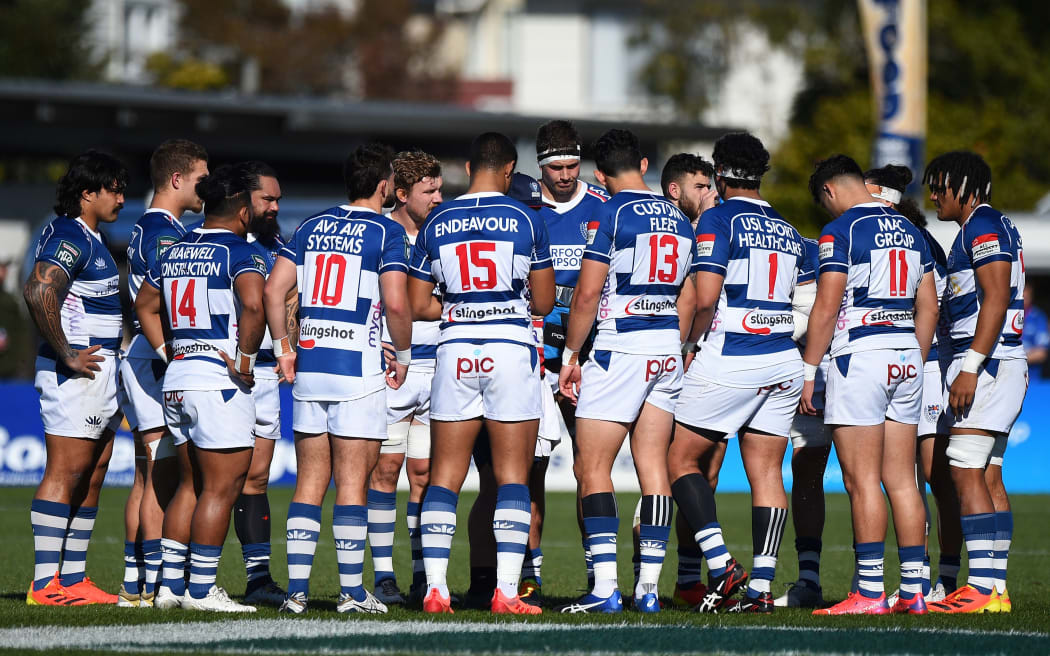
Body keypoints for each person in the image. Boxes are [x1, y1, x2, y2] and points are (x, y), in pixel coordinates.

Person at [262, 143, 412, 615]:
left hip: (311, 368)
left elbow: (273, 289)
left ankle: (296, 593)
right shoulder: (386, 230)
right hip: (358, 373)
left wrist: (284, 348)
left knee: (309, 482)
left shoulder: (310, 225)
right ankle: (351, 592)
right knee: (352, 485)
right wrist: (403, 354)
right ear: (384, 185)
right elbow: (396, 302)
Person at [409, 132, 554, 615]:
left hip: (454, 351)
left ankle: (435, 590)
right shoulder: (526, 219)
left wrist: (454, 306)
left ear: (469, 167)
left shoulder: (436, 220)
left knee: (445, 477)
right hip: (510, 348)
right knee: (512, 476)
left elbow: (416, 304)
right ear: (510, 170)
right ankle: (507, 593)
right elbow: (546, 301)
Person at [670, 132, 812, 614]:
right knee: (768, 472)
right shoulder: (790, 229)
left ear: (722, 173)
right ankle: (761, 590)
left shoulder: (717, 218)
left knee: (680, 460)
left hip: (733, 352)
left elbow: (706, 296)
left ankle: (722, 562)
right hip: (783, 358)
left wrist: (687, 344)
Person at [558, 129, 694, 614]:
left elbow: (588, 294)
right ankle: (650, 590)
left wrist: (571, 355)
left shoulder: (610, 213)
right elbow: (692, 296)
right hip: (666, 351)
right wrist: (678, 344)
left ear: (599, 174)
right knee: (654, 469)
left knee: (591, 467)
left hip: (621, 348)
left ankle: (604, 589)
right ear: (643, 163)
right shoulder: (679, 216)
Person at [801, 155, 938, 616]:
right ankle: (915, 590)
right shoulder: (911, 230)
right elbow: (930, 308)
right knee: (902, 480)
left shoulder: (841, 231)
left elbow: (825, 306)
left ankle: (870, 592)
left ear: (830, 191)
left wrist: (808, 370)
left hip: (861, 357)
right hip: (907, 357)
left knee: (862, 482)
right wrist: (913, 361)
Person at [135, 164, 267, 613]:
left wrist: (168, 351)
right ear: (244, 212)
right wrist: (246, 363)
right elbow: (253, 303)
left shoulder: (175, 248)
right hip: (218, 382)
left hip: (179, 378)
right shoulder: (239, 251)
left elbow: (144, 305)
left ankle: (170, 586)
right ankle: (201, 589)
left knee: (189, 485)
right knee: (222, 489)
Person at [923, 151, 1026, 614]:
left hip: (989, 363)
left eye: (939, 186)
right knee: (987, 472)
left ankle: (981, 590)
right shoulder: (986, 226)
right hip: (1002, 362)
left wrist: (970, 365)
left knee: (964, 468)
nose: (933, 196)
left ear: (963, 185)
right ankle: (995, 588)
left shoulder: (982, 226)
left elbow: (997, 295)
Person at [24, 150, 127, 606]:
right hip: (76, 377)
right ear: (88, 193)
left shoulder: (91, 235)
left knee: (93, 472)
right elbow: (39, 288)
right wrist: (66, 354)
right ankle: (44, 584)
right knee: (65, 471)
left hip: (100, 376)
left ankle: (73, 578)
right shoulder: (70, 234)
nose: (123, 197)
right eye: (115, 188)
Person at [117, 139, 209, 608]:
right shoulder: (163, 233)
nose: (206, 187)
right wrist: (169, 352)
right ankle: (154, 582)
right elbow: (160, 303)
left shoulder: (148, 227)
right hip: (154, 362)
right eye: (200, 178)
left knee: (146, 476)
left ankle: (135, 584)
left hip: (143, 359)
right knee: (161, 475)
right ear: (177, 179)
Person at [864, 164, 960, 605]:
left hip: (925, 366)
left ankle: (937, 577)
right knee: (917, 478)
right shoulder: (917, 236)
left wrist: (914, 363)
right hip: (918, 365)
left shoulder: (909, 238)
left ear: (882, 197)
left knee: (927, 476)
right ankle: (924, 578)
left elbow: (931, 309)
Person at [532, 119, 609, 594]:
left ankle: (595, 575)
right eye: (556, 167)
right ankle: (528, 578)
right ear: (541, 166)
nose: (565, 174)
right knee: (528, 469)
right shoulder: (523, 209)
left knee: (589, 466)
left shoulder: (602, 208)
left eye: (572, 165)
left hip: (587, 360)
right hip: (536, 360)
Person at [368, 150, 443, 605]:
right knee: (385, 472)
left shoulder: (447, 229)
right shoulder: (382, 233)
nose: (439, 198)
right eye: (429, 191)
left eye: (440, 188)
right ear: (401, 194)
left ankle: (420, 575)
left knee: (425, 473)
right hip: (394, 369)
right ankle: (382, 577)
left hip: (438, 368)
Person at [657, 151, 725, 607]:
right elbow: (694, 300)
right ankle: (647, 579)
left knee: (706, 475)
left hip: (721, 363)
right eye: (700, 186)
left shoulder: (721, 224)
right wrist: (681, 350)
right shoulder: (684, 229)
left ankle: (687, 580)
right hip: (678, 361)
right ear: (675, 190)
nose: (710, 193)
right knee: (666, 471)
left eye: (711, 184)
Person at [235, 161, 291, 606]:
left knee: (256, 477)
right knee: (207, 478)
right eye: (266, 199)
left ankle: (258, 580)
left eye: (277, 199)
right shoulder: (220, 240)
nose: (274, 207)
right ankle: (178, 577)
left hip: (269, 371)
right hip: (224, 372)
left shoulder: (279, 242)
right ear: (242, 200)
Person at [1022, 283, 1048, 376]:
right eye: (1020, 297)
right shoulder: (1005, 315)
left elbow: (1041, 353)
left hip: (1032, 379)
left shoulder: (1039, 317)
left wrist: (1015, 359)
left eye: (1026, 297)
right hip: (1006, 377)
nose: (1022, 301)